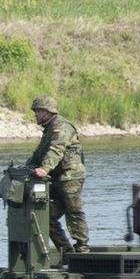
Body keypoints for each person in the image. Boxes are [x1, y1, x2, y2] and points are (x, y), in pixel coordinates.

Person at [26, 94, 88, 256]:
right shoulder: (49, 129)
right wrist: (27, 168)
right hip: (56, 178)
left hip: (70, 176)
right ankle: (66, 251)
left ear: (48, 112)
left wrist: (44, 169)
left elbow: (56, 149)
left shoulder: (61, 127)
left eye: (38, 111)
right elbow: (40, 153)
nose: (36, 115)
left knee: (73, 210)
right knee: (45, 216)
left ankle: (82, 248)